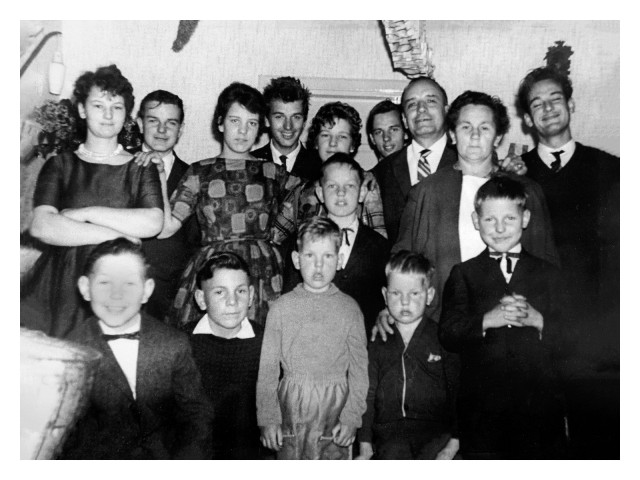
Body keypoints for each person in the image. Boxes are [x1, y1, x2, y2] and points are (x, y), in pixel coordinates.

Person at [516, 66, 620, 459]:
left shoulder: (610, 168)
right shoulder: (516, 175)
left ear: (571, 105)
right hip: (535, 325)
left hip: (595, 332)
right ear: (527, 118)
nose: (547, 109)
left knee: (597, 440)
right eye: (536, 104)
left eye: (555, 99)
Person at [22, 65, 163, 339]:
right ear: (82, 110)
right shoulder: (60, 164)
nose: (108, 115)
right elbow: (41, 226)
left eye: (117, 107)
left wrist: (84, 213)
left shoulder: (140, 166)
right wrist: (116, 235)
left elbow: (152, 222)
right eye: (99, 106)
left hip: (118, 284)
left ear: (127, 114)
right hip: (64, 286)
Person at [438, 176, 567, 459]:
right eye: (490, 220)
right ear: (476, 221)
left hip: (538, 410)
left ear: (525, 218)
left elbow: (570, 338)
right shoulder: (464, 273)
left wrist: (538, 320)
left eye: (509, 219)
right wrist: (486, 320)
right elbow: (448, 333)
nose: (499, 229)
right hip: (482, 412)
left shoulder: (548, 273)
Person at [60, 238, 213, 459]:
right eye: (105, 282)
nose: (116, 295)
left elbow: (196, 414)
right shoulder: (70, 352)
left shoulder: (173, 343)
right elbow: (63, 432)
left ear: (146, 290)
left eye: (129, 283)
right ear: (85, 288)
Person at [159, 82, 296, 329]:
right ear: (221, 123)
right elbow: (167, 227)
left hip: (262, 275)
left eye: (252, 123)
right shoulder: (199, 172)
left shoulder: (274, 173)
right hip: (212, 269)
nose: (243, 131)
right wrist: (158, 177)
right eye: (235, 121)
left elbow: (310, 198)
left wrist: (278, 233)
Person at [256, 217, 368, 460]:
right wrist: (268, 417)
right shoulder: (281, 308)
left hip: (335, 406)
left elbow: (360, 370)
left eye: (327, 256)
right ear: (297, 260)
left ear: (339, 260)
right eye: (310, 255)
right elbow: (267, 368)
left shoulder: (350, 309)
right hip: (291, 404)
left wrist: (352, 417)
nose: (319, 265)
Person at [357, 250, 459, 460]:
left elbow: (458, 394)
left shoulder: (443, 338)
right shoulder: (378, 341)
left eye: (414, 294)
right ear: (385, 295)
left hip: (436, 437)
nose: (405, 302)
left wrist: (452, 446)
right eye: (396, 293)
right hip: (389, 439)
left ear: (429, 295)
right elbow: (368, 393)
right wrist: (365, 446)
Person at [282, 153, 389, 337]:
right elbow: (289, 298)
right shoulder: (300, 242)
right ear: (320, 193)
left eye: (350, 186)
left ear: (362, 193)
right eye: (332, 186)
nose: (341, 192)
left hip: (361, 344)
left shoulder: (380, 247)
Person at [271, 101, 387, 245]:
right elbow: (274, 236)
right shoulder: (303, 189)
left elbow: (379, 242)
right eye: (326, 135)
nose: (333, 143)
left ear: (352, 145)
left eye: (342, 137)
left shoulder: (366, 184)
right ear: (316, 142)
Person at [189, 252, 264, 459]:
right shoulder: (181, 344)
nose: (232, 301)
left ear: (251, 295)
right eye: (220, 292)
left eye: (240, 291)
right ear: (201, 299)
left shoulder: (266, 343)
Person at [133, 89, 199, 321]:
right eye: (153, 121)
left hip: (170, 299)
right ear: (140, 123)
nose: (162, 130)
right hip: (120, 287)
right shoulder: (119, 165)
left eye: (171, 123)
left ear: (180, 129)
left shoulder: (195, 176)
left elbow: (194, 244)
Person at [370, 77, 458, 244]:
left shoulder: (466, 162)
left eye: (430, 101)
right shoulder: (382, 172)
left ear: (446, 111)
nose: (421, 109)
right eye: (412, 104)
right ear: (404, 119)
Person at [252, 76, 322, 182]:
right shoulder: (251, 162)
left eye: (296, 117)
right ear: (266, 120)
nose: (288, 126)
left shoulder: (319, 166)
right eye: (279, 117)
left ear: (304, 121)